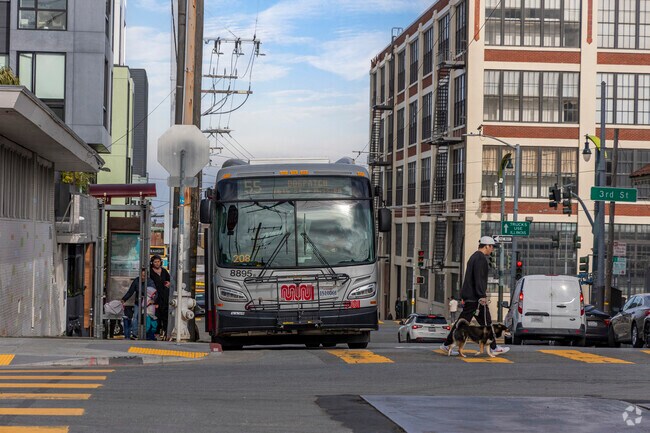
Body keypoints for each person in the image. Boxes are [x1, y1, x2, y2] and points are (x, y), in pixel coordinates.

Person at [440, 236, 510, 356]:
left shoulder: (474, 257)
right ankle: (493, 347)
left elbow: (469, 279)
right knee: (486, 321)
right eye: (492, 246)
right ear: (486, 246)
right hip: (476, 298)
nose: (492, 249)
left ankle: (447, 344)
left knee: (461, 322)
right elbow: (479, 279)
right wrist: (481, 295)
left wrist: (465, 294)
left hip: (471, 296)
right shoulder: (480, 259)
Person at [122, 268, 155, 340]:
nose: (143, 277)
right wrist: (124, 299)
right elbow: (130, 291)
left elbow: (154, 293)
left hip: (147, 303)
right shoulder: (136, 281)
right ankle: (134, 334)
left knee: (147, 317)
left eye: (144, 276)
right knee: (135, 317)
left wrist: (153, 300)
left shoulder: (150, 282)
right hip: (138, 302)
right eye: (142, 275)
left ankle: (147, 333)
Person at [149, 255, 171, 339]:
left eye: (158, 262)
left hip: (165, 296)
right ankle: (156, 333)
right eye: (155, 262)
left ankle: (165, 332)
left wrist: (169, 283)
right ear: (152, 263)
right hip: (155, 296)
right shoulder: (150, 272)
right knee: (156, 316)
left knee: (165, 315)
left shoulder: (164, 271)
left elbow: (170, 280)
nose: (157, 263)